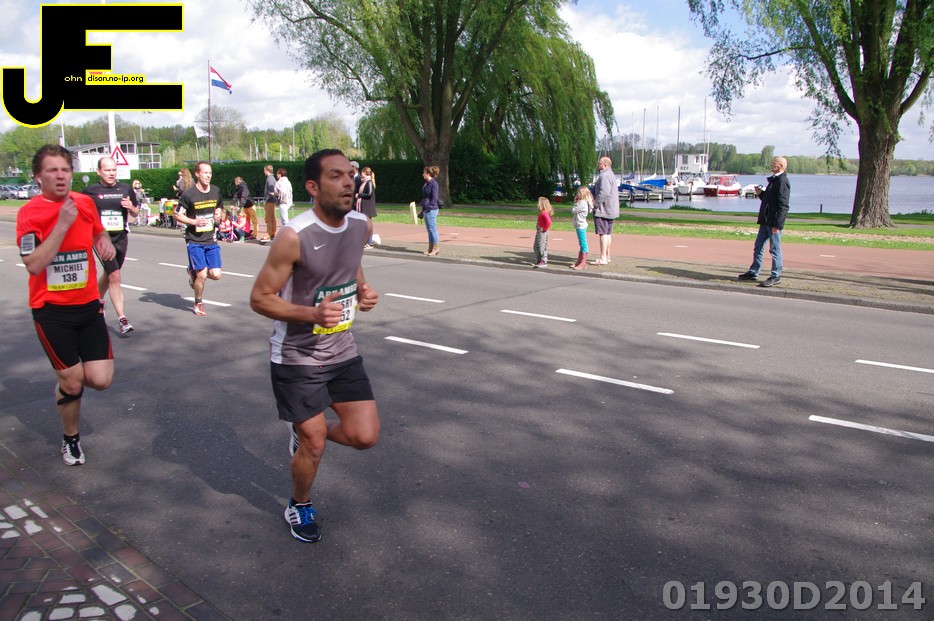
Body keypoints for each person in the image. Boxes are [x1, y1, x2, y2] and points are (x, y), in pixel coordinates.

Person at [250, 149, 380, 543]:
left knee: (364, 436)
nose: (348, 182)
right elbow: (259, 299)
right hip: (297, 357)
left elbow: (352, 263)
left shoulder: (360, 225)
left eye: (350, 174)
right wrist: (311, 314)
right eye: (336, 176)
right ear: (312, 186)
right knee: (316, 441)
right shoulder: (293, 237)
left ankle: (305, 433)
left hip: (342, 350)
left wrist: (362, 289)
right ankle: (299, 503)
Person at [16, 144, 117, 466]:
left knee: (100, 380)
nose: (60, 176)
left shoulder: (84, 203)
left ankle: (65, 385)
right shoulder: (29, 213)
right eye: (52, 170)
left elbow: (97, 231)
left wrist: (102, 241)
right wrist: (61, 224)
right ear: (38, 176)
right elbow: (33, 264)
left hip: (87, 306)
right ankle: (70, 438)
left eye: (65, 170)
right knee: (73, 382)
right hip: (51, 311)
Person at [82, 157, 139, 336]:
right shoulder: (90, 192)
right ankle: (122, 319)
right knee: (115, 275)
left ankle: (97, 303)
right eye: (107, 170)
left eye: (114, 170)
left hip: (121, 237)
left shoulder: (125, 188)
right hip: (101, 239)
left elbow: (136, 212)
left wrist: (131, 207)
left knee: (110, 275)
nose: (111, 173)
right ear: (98, 171)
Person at [175, 161, 224, 316]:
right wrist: (194, 222)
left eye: (210, 173)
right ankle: (198, 302)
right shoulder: (188, 194)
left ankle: (193, 272)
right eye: (205, 173)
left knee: (216, 274)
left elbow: (220, 208)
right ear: (197, 174)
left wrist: (219, 214)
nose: (208, 176)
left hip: (211, 239)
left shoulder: (216, 191)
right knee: (202, 275)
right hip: (194, 240)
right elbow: (177, 215)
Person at [738, 156, 791, 288]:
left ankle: (776, 275)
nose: (772, 164)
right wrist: (761, 193)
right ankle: (754, 271)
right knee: (758, 247)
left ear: (781, 166)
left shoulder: (782, 181)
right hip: (765, 221)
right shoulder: (773, 180)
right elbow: (769, 201)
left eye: (774, 163)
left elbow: (783, 205)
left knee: (775, 249)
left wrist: (777, 225)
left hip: (773, 223)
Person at [591, 156, 619, 265]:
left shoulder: (605, 176)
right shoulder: (611, 174)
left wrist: (595, 204)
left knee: (603, 233)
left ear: (605, 165)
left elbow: (604, 193)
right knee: (607, 233)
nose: (598, 166)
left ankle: (603, 257)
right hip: (610, 209)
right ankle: (607, 256)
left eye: (599, 164)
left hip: (603, 210)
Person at [571, 186, 593, 270]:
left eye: (579, 193)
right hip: (580, 224)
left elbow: (574, 210)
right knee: (581, 243)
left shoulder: (582, 203)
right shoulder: (584, 202)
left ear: (583, 194)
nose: (577, 195)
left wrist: (575, 202)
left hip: (580, 225)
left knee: (583, 243)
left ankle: (583, 262)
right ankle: (579, 261)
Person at [420, 166, 440, 255]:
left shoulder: (434, 184)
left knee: (432, 229)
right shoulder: (426, 184)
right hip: (426, 209)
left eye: (424, 173)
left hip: (431, 210)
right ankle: (430, 248)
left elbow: (434, 198)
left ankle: (436, 248)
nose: (422, 174)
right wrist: (423, 210)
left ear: (428, 174)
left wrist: (429, 207)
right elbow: (425, 198)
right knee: (429, 230)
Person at [357, 166, 378, 248]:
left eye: (362, 172)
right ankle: (366, 241)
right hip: (365, 207)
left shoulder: (368, 182)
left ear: (365, 172)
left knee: (368, 225)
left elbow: (369, 194)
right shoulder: (365, 182)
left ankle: (369, 242)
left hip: (367, 207)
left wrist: (359, 195)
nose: (361, 174)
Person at [531, 196, 554, 268]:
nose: (537, 205)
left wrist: (545, 228)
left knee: (542, 246)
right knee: (536, 246)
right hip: (539, 230)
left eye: (538, 203)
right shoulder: (541, 212)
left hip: (542, 231)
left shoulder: (544, 213)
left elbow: (549, 222)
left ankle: (543, 261)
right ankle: (538, 260)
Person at [262, 164, 278, 241]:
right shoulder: (271, 178)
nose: (264, 172)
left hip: (270, 201)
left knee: (268, 218)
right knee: (272, 217)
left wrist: (266, 200)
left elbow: (271, 191)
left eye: (264, 170)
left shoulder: (270, 179)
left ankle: (269, 234)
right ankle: (273, 233)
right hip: (272, 200)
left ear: (267, 170)